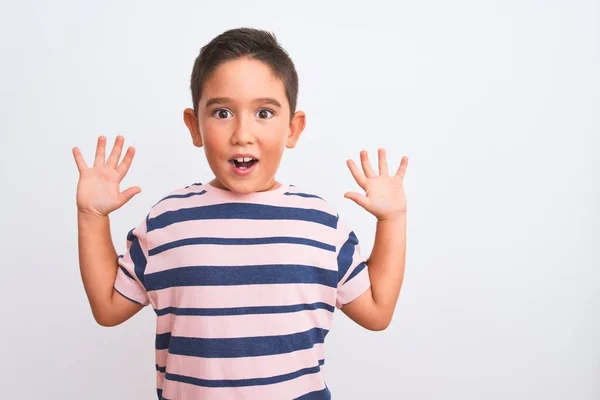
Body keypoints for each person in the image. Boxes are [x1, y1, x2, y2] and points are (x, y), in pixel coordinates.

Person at [72, 27, 409, 400]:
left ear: (293, 129)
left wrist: (392, 219)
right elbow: (108, 307)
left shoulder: (320, 224)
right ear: (194, 125)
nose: (242, 134)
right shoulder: (166, 221)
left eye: (264, 112)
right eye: (222, 112)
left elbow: (377, 312)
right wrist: (91, 215)